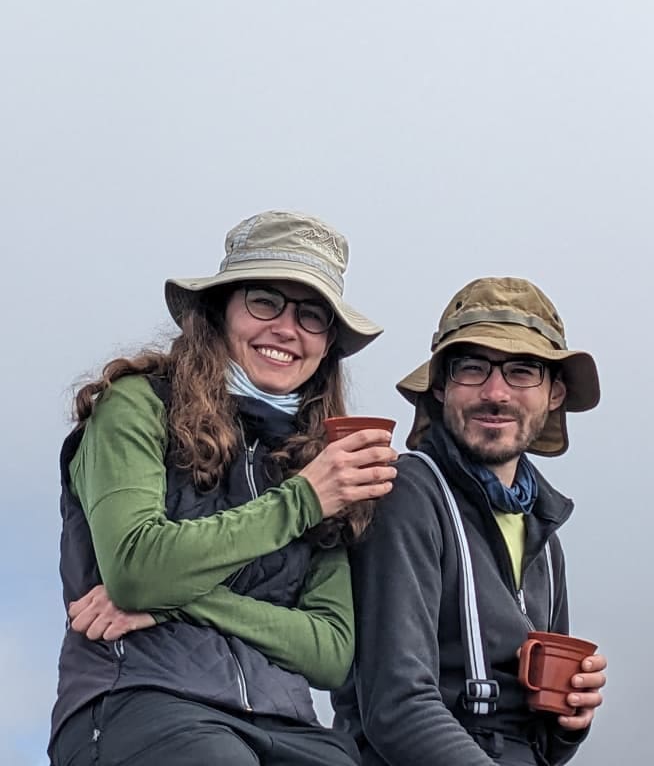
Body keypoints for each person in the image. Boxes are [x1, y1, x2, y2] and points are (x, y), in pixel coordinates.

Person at [49, 209, 398, 766]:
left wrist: (177, 602)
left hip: (288, 722)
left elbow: (331, 650)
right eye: (264, 301)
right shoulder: (137, 405)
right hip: (139, 698)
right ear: (218, 311)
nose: (286, 328)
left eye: (312, 316)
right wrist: (302, 502)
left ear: (327, 344)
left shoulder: (319, 460)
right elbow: (138, 570)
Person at [332, 277, 608, 766]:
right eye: (472, 369)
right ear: (440, 387)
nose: (495, 392)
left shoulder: (544, 533)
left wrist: (569, 722)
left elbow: (537, 745)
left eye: (522, 371)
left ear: (555, 393)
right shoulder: (405, 494)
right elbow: (396, 709)